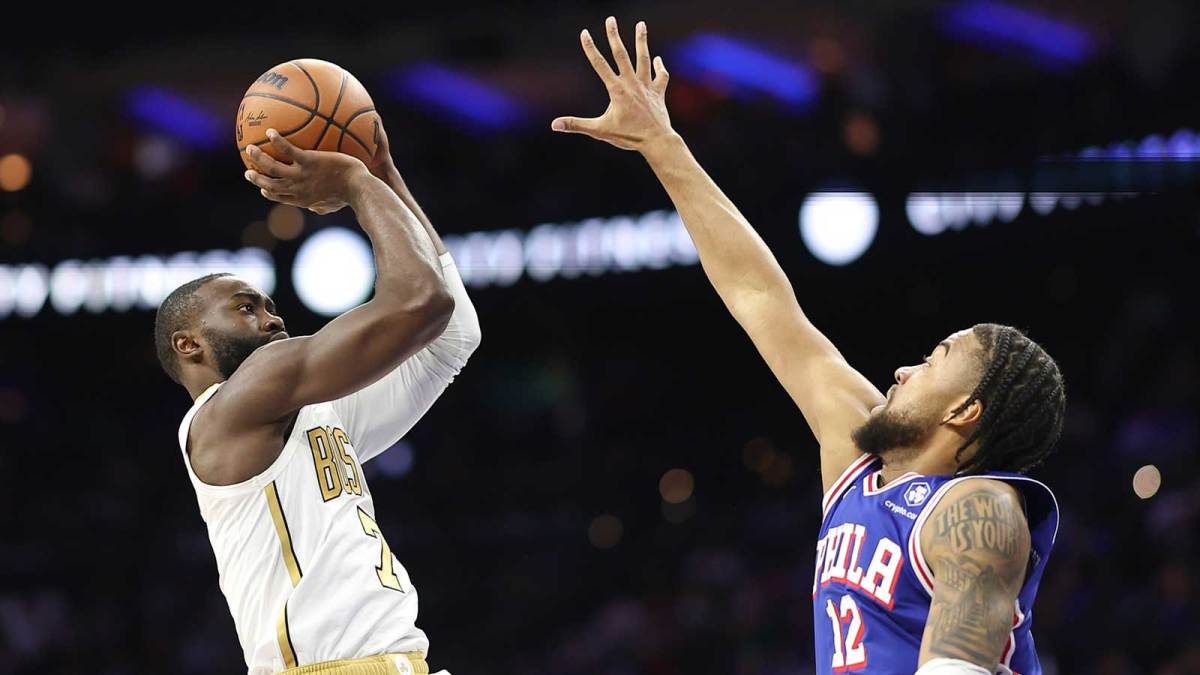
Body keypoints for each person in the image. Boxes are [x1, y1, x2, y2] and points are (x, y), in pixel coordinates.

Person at [552, 17, 1065, 675]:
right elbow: (761, 297)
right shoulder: (857, 455)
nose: (904, 368)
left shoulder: (979, 508)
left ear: (966, 410)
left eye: (936, 358)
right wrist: (664, 146)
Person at [154, 124, 480, 675]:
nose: (272, 316)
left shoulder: (314, 417)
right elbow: (421, 301)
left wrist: (384, 179)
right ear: (190, 345)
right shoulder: (234, 407)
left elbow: (452, 336)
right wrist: (355, 181)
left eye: (268, 304)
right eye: (245, 307)